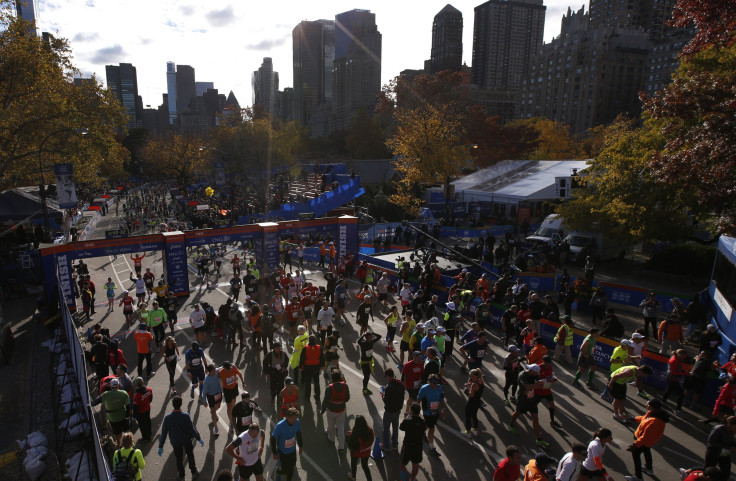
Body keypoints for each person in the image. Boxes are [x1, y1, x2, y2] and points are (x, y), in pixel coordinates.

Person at [158, 396, 204, 480]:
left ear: (172, 405)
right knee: (190, 455)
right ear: (181, 404)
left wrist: (161, 446)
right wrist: (199, 438)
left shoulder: (167, 418)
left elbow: (164, 433)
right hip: (186, 440)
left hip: (175, 441)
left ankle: (182, 476)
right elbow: (192, 430)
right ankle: (193, 472)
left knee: (179, 459)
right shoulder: (185, 416)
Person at [624, 399, 669, 481]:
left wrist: (635, 445)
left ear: (652, 407)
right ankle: (649, 468)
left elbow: (645, 437)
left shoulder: (655, 422)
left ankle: (638, 476)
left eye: (647, 404)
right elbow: (644, 419)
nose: (646, 405)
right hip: (646, 442)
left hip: (644, 441)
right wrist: (634, 418)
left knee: (636, 454)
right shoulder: (653, 413)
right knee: (646, 451)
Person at [508, 364, 550, 448]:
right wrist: (539, 385)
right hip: (523, 400)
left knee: (535, 419)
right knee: (517, 413)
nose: (537, 374)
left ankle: (539, 439)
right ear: (531, 371)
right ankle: (511, 425)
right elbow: (527, 387)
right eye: (536, 373)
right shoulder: (522, 376)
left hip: (532, 400)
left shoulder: (535, 374)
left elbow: (543, 384)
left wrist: (547, 382)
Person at [91, 378, 130, 447]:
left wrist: (91, 404)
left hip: (113, 418)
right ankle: (129, 444)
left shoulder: (106, 394)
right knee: (126, 431)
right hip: (123, 416)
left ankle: (120, 445)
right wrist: (127, 416)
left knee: (118, 434)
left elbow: (97, 401)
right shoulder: (124, 393)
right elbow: (128, 406)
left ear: (111, 386)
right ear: (118, 385)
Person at [321, 369, 350, 453]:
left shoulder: (329, 388)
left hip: (331, 409)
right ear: (340, 377)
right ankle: (341, 446)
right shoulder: (345, 386)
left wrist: (322, 410)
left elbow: (325, 400)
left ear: (332, 378)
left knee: (331, 424)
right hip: (341, 410)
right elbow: (347, 398)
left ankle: (331, 437)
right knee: (341, 427)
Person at [271, 407, 303, 481]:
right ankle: (278, 471)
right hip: (283, 451)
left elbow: (298, 433)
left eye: (296, 418)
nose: (295, 420)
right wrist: (274, 452)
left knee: (291, 468)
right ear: (287, 417)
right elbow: (273, 438)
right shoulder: (280, 426)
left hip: (292, 450)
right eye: (293, 418)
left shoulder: (297, 422)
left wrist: (300, 446)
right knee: (285, 469)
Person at [417, 373, 445, 458]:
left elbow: (441, 399)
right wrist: (416, 412)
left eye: (436, 383)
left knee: (428, 424)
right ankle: (431, 448)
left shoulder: (439, 387)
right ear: (429, 382)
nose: (434, 385)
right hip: (427, 412)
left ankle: (421, 432)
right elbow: (418, 400)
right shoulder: (424, 388)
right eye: (433, 383)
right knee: (432, 428)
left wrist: (444, 409)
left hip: (435, 411)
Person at [399, 402, 427, 481]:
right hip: (418, 447)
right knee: (415, 465)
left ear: (411, 411)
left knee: (402, 464)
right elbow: (424, 429)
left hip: (407, 446)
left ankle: (404, 479)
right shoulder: (422, 422)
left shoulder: (407, 421)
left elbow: (401, 427)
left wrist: (407, 417)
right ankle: (412, 478)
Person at [381, 368, 405, 452]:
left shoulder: (389, 388)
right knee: (395, 428)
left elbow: (386, 400)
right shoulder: (400, 384)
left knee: (386, 429)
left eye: (385, 376)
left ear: (388, 376)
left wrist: (382, 394)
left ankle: (386, 446)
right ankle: (395, 445)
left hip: (389, 411)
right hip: (397, 410)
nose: (385, 378)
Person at [662, 349, 690, 416]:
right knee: (681, 394)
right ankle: (678, 410)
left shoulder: (677, 359)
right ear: (681, 355)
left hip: (672, 378)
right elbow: (674, 372)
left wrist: (684, 371)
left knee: (669, 390)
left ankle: (663, 402)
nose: (685, 358)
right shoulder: (674, 360)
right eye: (684, 356)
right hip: (672, 378)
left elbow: (677, 369)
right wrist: (685, 373)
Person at [347, 415, 375, 480]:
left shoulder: (355, 434)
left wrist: (348, 437)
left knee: (353, 464)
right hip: (366, 452)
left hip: (356, 453)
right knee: (365, 467)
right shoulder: (370, 430)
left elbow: (351, 446)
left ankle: (353, 476)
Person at [299, 334, 324, 403]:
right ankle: (317, 396)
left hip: (308, 368)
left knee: (308, 383)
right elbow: (322, 357)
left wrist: (301, 367)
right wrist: (322, 366)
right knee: (316, 382)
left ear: (309, 340)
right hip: (316, 368)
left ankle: (307, 397)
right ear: (315, 340)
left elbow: (302, 358)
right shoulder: (319, 348)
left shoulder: (305, 348)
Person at [463, 368, 485, 437]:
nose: (470, 378)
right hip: (477, 401)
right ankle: (475, 430)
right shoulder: (481, 382)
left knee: (468, 417)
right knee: (474, 415)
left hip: (471, 402)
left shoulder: (474, 385)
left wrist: (468, 388)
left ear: (474, 377)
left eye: (470, 376)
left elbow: (471, 395)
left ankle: (468, 432)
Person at [132, 377, 153, 441]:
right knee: (148, 421)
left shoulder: (136, 396)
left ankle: (145, 437)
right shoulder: (149, 389)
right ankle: (149, 434)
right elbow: (151, 399)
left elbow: (135, 408)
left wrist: (134, 417)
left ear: (135, 385)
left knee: (142, 425)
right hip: (147, 408)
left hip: (141, 413)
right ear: (142, 383)